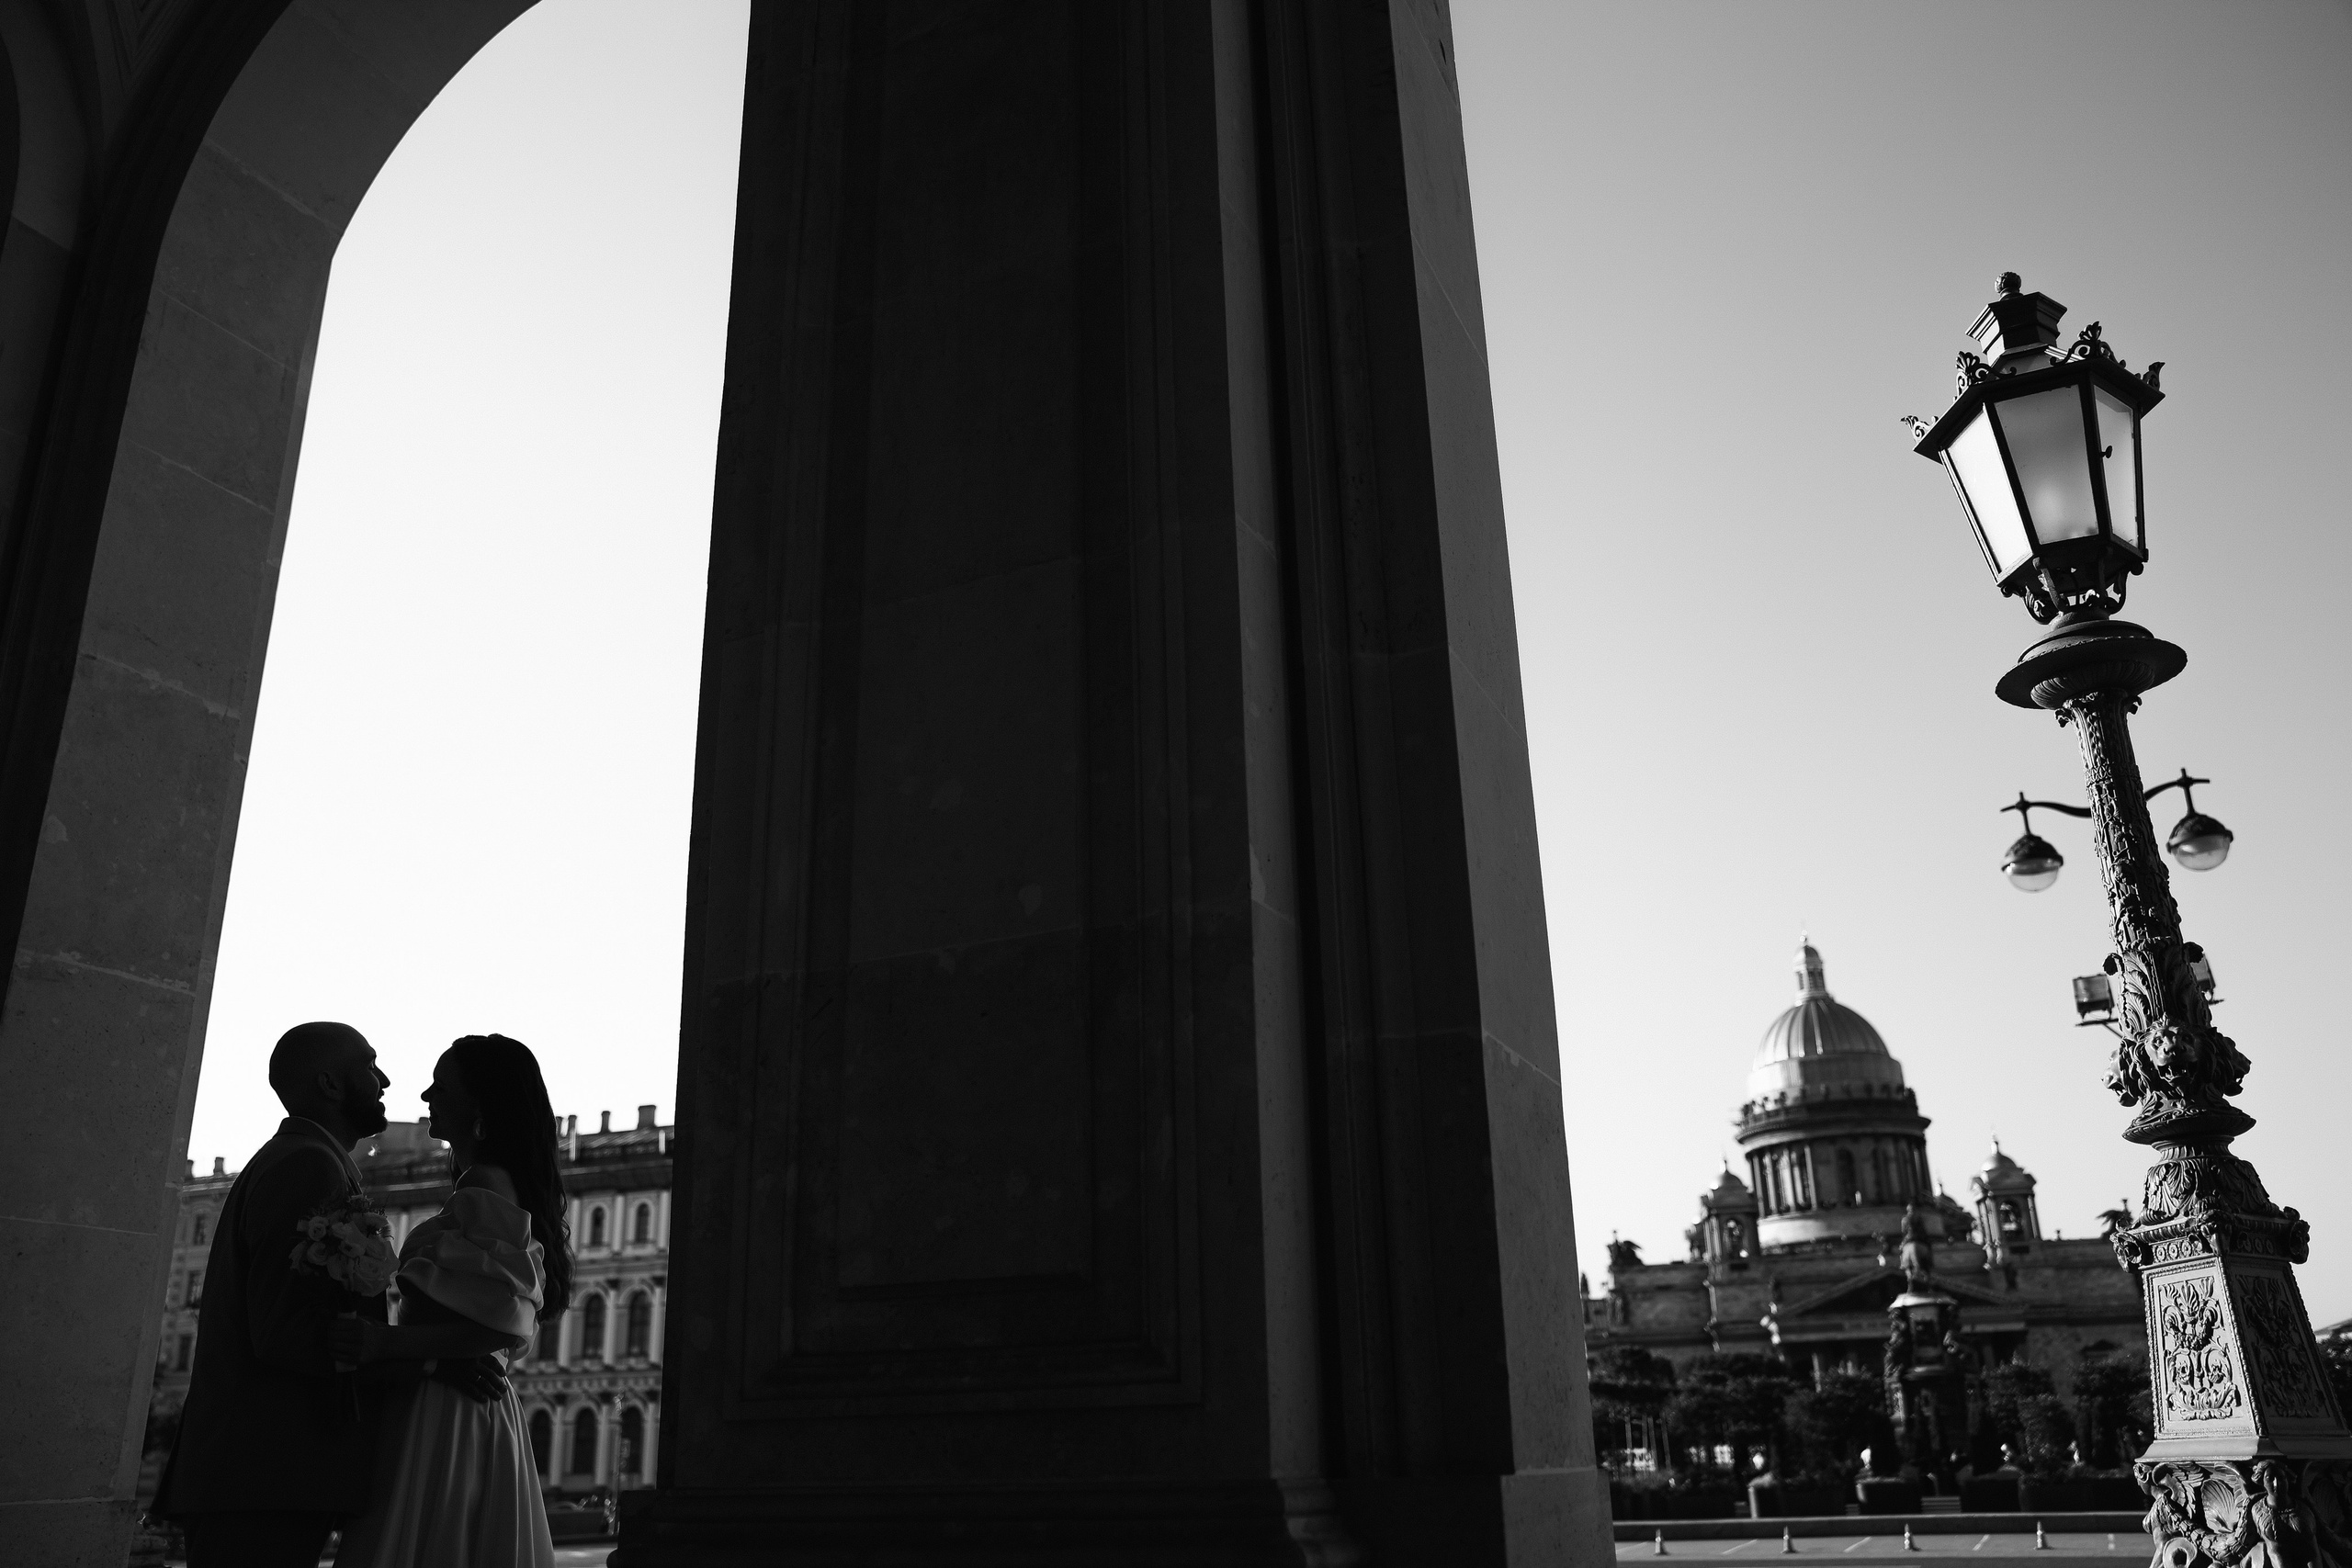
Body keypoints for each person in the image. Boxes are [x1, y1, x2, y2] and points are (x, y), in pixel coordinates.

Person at [154, 1023, 505, 1567]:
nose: (385, 1079)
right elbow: (286, 1333)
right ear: (332, 1084)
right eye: (370, 1065)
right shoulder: (307, 1167)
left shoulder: (308, 1160)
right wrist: (428, 1362)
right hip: (267, 1470)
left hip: (264, 1471)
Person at [331, 1034, 571, 1567]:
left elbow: (508, 1324)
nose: (425, 1095)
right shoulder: (487, 1185)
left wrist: (384, 1343)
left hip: (447, 1413)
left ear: (479, 1104)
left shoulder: (483, 1185)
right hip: (463, 1402)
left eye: (441, 1083)